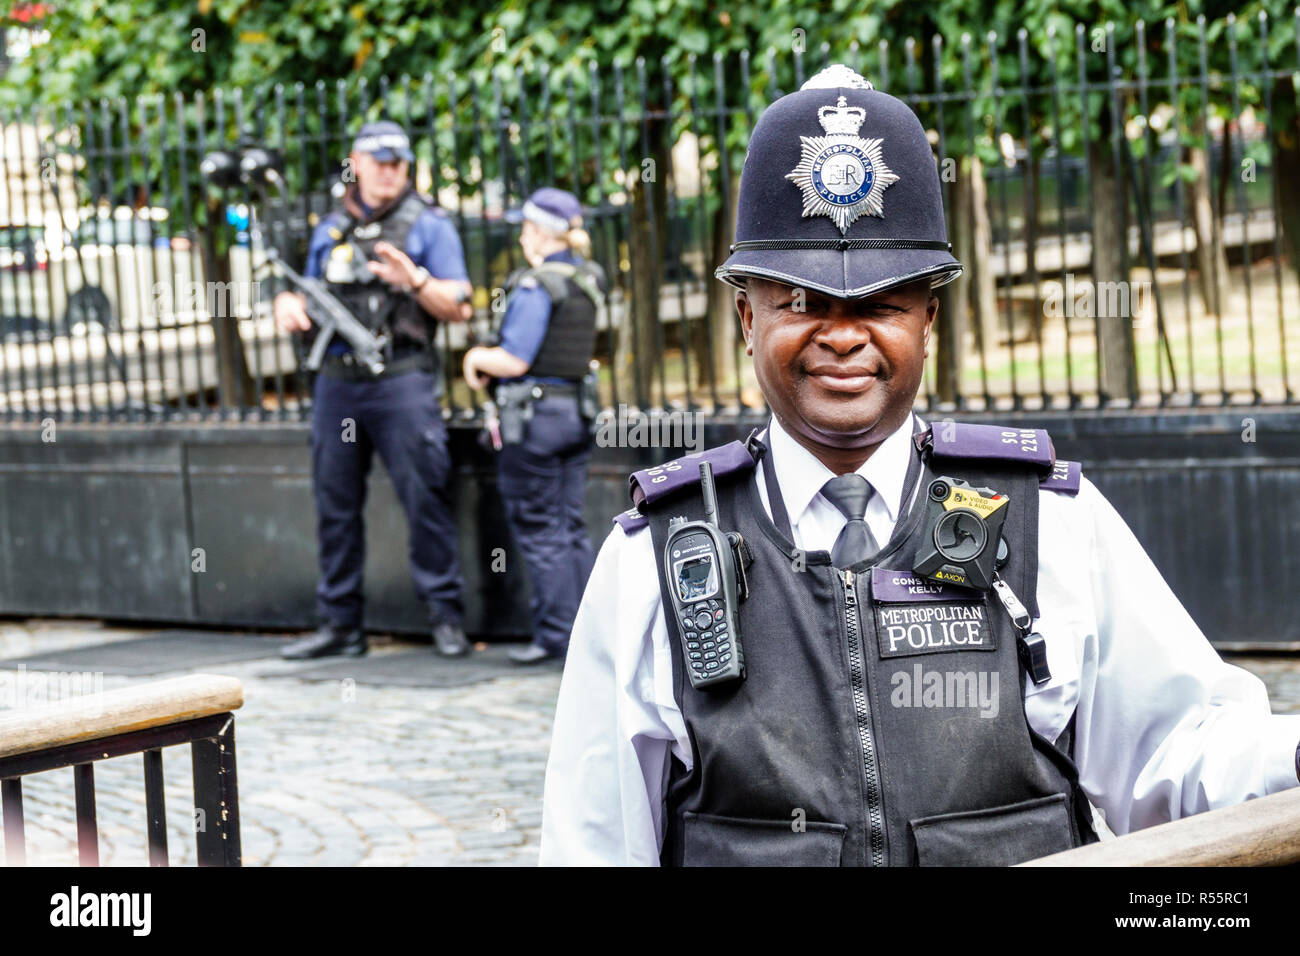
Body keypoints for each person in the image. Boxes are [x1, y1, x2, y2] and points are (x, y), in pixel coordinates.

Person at [539, 65, 1300, 865]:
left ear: (928, 320)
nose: (841, 334)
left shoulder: (1052, 523)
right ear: (745, 314)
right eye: (801, 302)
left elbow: (1181, 749)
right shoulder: (652, 561)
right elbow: (594, 843)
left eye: (879, 304)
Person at [274, 121, 474, 660]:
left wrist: (417, 282)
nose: (390, 172)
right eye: (379, 161)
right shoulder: (331, 227)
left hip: (401, 378)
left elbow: (461, 306)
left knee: (424, 496)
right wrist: (287, 306)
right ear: (355, 163)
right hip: (337, 383)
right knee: (333, 502)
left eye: (399, 163)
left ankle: (445, 618)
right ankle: (341, 624)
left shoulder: (429, 224)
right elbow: (308, 293)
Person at [462, 188, 603, 665]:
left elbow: (515, 358)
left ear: (541, 233)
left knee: (541, 529)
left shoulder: (536, 285)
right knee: (570, 525)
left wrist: (476, 357)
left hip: (535, 421)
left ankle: (557, 637)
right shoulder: (588, 280)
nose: (522, 238)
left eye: (526, 228)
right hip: (576, 415)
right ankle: (589, 634)